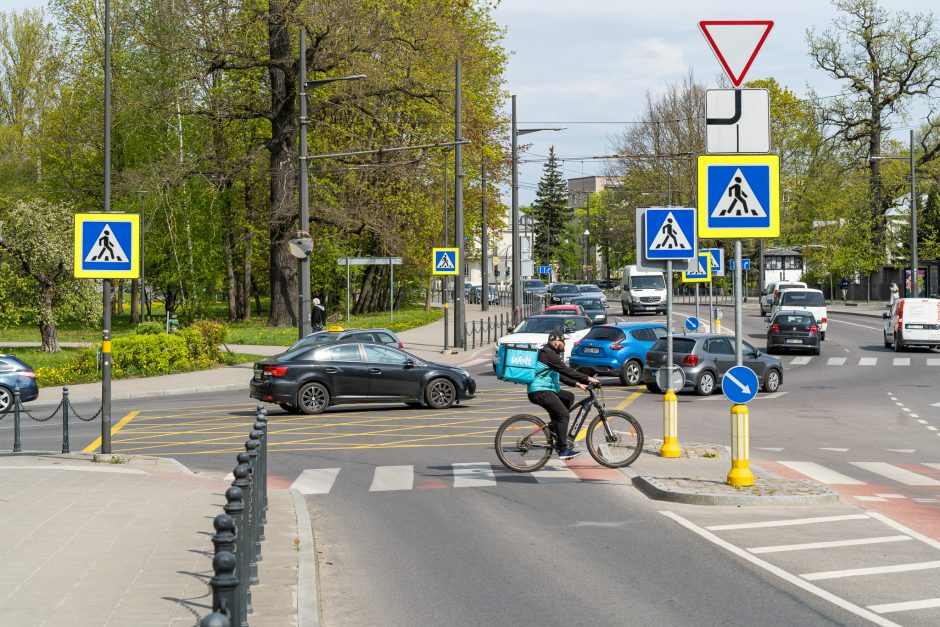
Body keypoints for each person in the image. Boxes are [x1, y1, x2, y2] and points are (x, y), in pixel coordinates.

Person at [527, 331, 600, 460]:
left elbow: (560, 375)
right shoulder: (548, 353)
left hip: (546, 389)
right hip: (541, 391)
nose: (564, 344)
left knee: (568, 397)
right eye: (563, 342)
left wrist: (578, 384)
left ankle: (556, 429)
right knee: (563, 415)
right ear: (556, 342)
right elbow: (566, 370)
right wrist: (588, 378)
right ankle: (563, 449)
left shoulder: (550, 353)